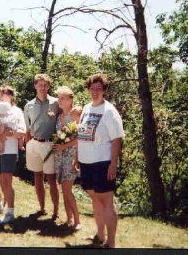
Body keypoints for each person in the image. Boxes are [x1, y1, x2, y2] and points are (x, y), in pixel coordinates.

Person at [76, 73, 124, 249]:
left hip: (103, 163)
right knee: (95, 200)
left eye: (99, 88)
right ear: (88, 89)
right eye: (92, 88)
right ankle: (99, 235)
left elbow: (116, 140)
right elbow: (81, 134)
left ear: (104, 90)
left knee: (106, 202)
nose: (95, 91)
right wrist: (77, 157)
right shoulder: (87, 108)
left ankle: (111, 243)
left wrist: (113, 163)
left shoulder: (110, 112)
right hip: (86, 162)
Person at [0, 86, 26, 223]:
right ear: (0, 95)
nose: (6, 94)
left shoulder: (18, 111)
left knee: (6, 180)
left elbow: (22, 131)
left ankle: (10, 212)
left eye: (9, 92)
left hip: (9, 149)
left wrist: (9, 133)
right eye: (3, 92)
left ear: (13, 95)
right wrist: (1, 129)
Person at [23, 73, 59, 219]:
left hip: (50, 144)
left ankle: (56, 211)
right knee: (37, 176)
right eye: (40, 85)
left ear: (48, 86)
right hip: (34, 143)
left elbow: (65, 120)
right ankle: (42, 208)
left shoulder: (56, 103)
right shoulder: (29, 105)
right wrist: (27, 144)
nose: (43, 87)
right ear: (35, 86)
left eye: (45, 85)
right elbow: (26, 128)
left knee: (51, 178)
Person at [53, 86, 81, 230]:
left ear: (70, 100)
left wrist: (65, 146)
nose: (59, 100)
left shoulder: (75, 114)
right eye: (59, 98)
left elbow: (82, 137)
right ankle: (69, 219)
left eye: (62, 98)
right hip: (59, 156)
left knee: (67, 188)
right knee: (63, 188)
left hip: (71, 155)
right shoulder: (59, 116)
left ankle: (77, 221)